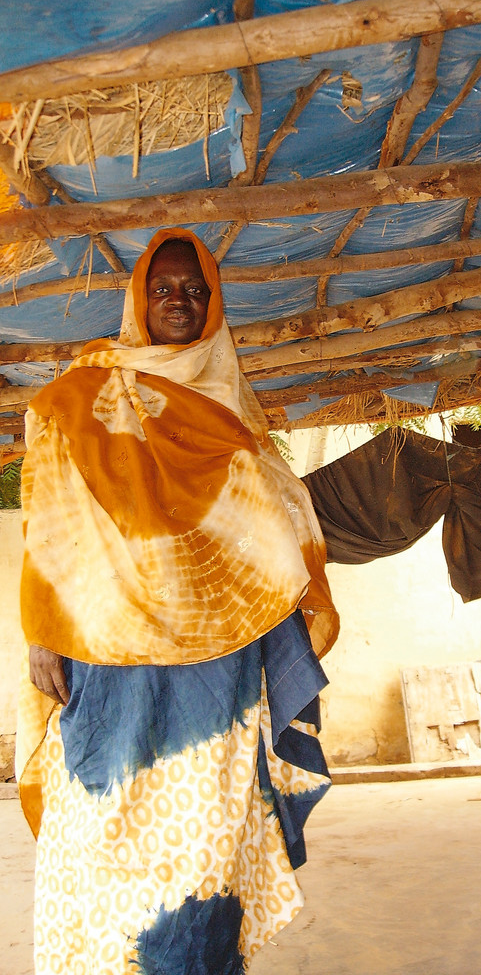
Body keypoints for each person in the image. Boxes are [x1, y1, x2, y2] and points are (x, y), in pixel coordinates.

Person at [17, 227, 340, 975]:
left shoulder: (229, 411)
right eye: (163, 289)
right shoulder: (79, 396)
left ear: (214, 306)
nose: (179, 303)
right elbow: (52, 521)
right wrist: (42, 630)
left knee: (204, 853)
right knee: (101, 836)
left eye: (195, 292)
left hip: (215, 677)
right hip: (108, 661)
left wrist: (279, 589)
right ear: (138, 300)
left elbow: (271, 514)